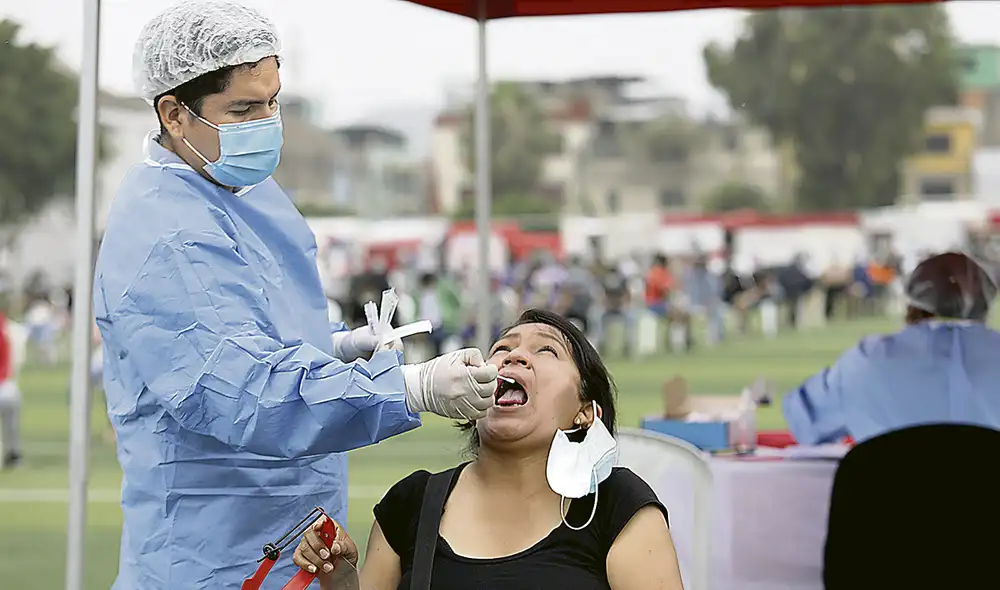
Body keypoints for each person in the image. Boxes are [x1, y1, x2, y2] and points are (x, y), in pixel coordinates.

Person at [94, 3, 498, 588]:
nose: (266, 121)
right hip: (217, 555)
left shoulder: (241, 192)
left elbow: (253, 337)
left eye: (272, 101)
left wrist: (337, 349)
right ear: (174, 114)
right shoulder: (168, 232)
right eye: (242, 108)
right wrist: (411, 387)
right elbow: (242, 390)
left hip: (293, 536)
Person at [293, 309, 684, 590]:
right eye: (501, 349)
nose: (513, 356)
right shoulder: (411, 504)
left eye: (546, 351)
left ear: (585, 412)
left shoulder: (617, 505)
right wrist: (341, 579)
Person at [783, 252, 1000, 445]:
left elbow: (805, 422)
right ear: (984, 306)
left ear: (911, 307)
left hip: (891, 489)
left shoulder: (866, 360)